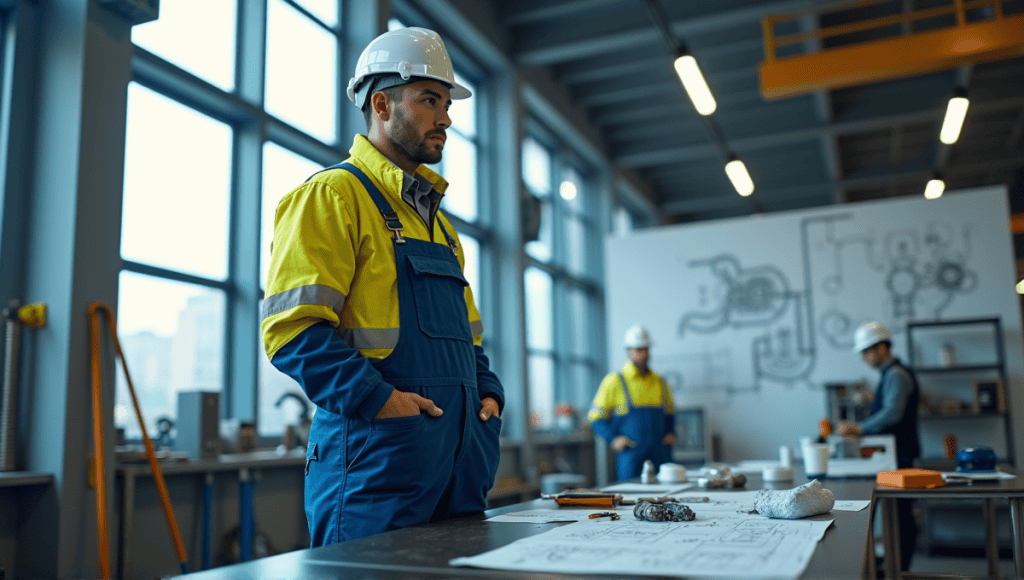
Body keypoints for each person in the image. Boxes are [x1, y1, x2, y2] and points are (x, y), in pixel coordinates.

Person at [260, 27, 504, 546]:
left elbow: (469, 336)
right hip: (378, 464)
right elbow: (291, 331)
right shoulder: (333, 196)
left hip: (459, 465)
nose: (446, 118)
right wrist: (380, 402)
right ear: (382, 104)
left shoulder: (439, 224)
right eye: (430, 100)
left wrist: (488, 394)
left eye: (447, 103)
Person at [838, 321, 920, 571]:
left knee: (902, 516)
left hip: (900, 456)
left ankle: (901, 570)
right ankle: (896, 566)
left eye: (866, 351)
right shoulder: (890, 375)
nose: (864, 358)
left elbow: (892, 414)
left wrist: (859, 428)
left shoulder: (896, 374)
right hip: (894, 456)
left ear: (882, 347)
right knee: (896, 514)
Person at [588, 325, 676, 482]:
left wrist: (671, 432)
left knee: (667, 496)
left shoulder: (660, 381)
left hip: (660, 453)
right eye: (638, 350)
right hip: (631, 455)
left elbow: (669, 413)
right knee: (630, 498)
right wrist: (613, 439)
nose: (643, 354)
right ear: (628, 351)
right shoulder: (614, 381)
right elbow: (596, 417)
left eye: (646, 349)